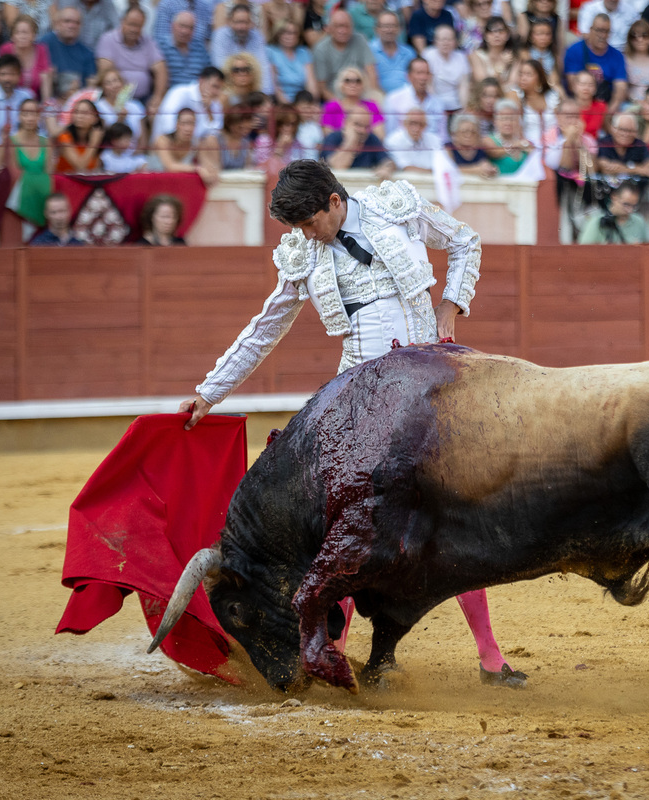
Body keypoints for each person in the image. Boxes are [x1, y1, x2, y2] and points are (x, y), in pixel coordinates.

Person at [178, 159, 525, 687]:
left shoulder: (397, 209)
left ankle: (491, 657)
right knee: (346, 526)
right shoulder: (303, 253)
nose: (303, 235)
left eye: (308, 222)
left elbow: (465, 240)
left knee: (446, 517)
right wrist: (209, 392)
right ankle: (333, 654)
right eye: (295, 228)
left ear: (335, 203)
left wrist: (450, 309)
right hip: (359, 400)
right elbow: (264, 328)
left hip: (428, 385)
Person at [97, 7, 168, 116]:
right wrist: (121, 97)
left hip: (144, 98)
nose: (134, 29)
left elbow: (161, 69)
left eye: (138, 26)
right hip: (115, 97)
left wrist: (157, 97)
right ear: (122, 22)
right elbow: (106, 72)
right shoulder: (108, 39)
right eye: (131, 24)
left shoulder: (148, 42)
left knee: (158, 112)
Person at [563, 13, 629, 116]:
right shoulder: (574, 50)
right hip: (580, 105)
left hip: (606, 105)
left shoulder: (617, 56)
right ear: (590, 30)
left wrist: (609, 112)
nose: (602, 35)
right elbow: (572, 84)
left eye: (606, 31)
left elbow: (621, 87)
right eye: (599, 30)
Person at [4, 96, 52, 227]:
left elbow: (49, 173)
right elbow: (13, 174)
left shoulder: (46, 142)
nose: (30, 118)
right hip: (21, 197)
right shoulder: (11, 141)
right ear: (19, 116)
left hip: (43, 194)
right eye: (26, 114)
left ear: (39, 117)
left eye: (34, 114)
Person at [313, 9, 376, 101]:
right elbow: (322, 88)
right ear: (329, 28)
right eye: (338, 26)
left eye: (347, 26)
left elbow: (371, 72)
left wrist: (372, 98)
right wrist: (343, 106)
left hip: (360, 94)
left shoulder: (360, 40)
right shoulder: (321, 49)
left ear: (352, 27)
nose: (343, 31)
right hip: (335, 96)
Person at [153, 64, 224, 144]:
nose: (217, 92)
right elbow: (167, 125)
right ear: (201, 81)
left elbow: (216, 133)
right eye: (214, 86)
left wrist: (208, 109)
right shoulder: (179, 92)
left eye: (220, 88)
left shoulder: (215, 103)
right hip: (169, 145)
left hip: (195, 148)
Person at [320, 105, 395, 178]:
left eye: (366, 127)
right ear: (345, 123)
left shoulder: (372, 138)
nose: (362, 130)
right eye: (357, 125)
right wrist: (350, 141)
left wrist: (386, 169)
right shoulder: (333, 137)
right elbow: (338, 166)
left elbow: (388, 161)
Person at [382, 58, 447, 141]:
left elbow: (443, 138)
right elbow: (389, 133)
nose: (423, 77)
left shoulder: (438, 103)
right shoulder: (393, 99)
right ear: (408, 76)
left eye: (427, 73)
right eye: (419, 73)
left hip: (431, 150)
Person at [150, 105, 217, 184]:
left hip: (176, 184)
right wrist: (198, 169)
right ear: (177, 125)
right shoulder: (162, 140)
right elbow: (170, 166)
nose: (188, 128)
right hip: (154, 182)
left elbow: (207, 164)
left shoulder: (196, 143)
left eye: (192, 124)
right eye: (184, 123)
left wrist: (210, 170)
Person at [0, 17, 53, 104]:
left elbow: (45, 77)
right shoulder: (6, 49)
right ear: (12, 36)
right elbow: (1, 76)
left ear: (34, 35)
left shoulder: (41, 49)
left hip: (34, 100)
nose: (22, 36)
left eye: (26, 32)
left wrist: (46, 103)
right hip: (10, 98)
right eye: (18, 33)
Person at [41, 7, 98, 87]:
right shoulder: (44, 43)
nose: (72, 26)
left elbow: (90, 83)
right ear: (57, 24)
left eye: (77, 23)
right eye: (67, 21)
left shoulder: (87, 53)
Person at [596, 111, 649, 185]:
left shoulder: (640, 145)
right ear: (613, 128)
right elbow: (605, 168)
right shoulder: (604, 143)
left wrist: (622, 168)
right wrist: (639, 169)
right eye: (622, 129)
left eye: (630, 131)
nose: (626, 134)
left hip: (635, 188)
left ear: (636, 132)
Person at [321, 66, 384, 137]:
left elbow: (380, 136)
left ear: (363, 85)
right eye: (347, 81)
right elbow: (329, 136)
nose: (353, 84)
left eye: (358, 81)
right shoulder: (331, 106)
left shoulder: (372, 106)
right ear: (341, 85)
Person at [93, 64, 146, 146]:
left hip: (135, 154)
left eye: (116, 80)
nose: (114, 86)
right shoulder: (98, 107)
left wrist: (137, 153)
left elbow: (143, 138)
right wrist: (119, 120)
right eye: (108, 83)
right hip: (110, 153)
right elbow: (103, 137)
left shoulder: (136, 105)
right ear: (102, 87)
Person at [578, 180, 646, 243]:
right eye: (626, 204)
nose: (630, 210)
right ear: (614, 197)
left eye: (634, 206)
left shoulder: (639, 221)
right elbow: (583, 251)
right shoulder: (596, 222)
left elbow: (647, 250)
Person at [160, 10, 212, 89]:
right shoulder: (161, 46)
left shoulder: (200, 48)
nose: (185, 31)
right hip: (169, 94)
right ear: (172, 25)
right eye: (182, 26)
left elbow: (209, 74)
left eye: (190, 28)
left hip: (196, 94)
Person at [425, 25, 470, 113]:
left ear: (455, 42)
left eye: (449, 39)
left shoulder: (461, 57)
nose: (446, 43)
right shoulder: (428, 55)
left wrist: (464, 108)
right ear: (435, 41)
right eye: (442, 39)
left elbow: (463, 85)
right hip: (434, 105)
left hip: (456, 104)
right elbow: (429, 85)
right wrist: (436, 108)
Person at [482, 97, 533, 175]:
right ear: (495, 121)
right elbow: (494, 152)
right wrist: (516, 146)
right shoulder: (488, 140)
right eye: (504, 119)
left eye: (512, 119)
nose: (508, 123)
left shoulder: (524, 142)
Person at [515, 58, 558, 146]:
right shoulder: (516, 96)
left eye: (528, 74)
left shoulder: (551, 96)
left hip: (554, 143)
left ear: (540, 77)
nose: (523, 78)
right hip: (529, 147)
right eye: (521, 74)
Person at [385, 105, 440, 172]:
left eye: (421, 124)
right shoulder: (394, 140)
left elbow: (441, 164)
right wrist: (432, 172)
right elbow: (406, 168)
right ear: (404, 123)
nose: (416, 128)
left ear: (426, 126)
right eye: (412, 123)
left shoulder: (434, 140)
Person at [370, 11, 415, 94]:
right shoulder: (369, 50)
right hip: (378, 97)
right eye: (385, 26)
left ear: (400, 29)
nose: (389, 30)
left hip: (405, 98)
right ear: (377, 29)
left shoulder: (409, 52)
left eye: (393, 26)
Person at [55, 96, 103, 172]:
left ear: (95, 118)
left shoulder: (99, 136)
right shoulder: (65, 136)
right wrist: (93, 143)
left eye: (85, 113)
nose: (79, 116)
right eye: (76, 112)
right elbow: (80, 166)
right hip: (67, 180)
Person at [468, 17, 517, 87]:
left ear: (507, 35)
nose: (497, 35)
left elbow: (513, 84)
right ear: (485, 36)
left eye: (501, 31)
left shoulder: (513, 56)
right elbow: (483, 84)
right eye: (491, 31)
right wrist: (501, 65)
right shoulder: (476, 56)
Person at [448, 112, 497, 177]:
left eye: (473, 132)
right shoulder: (448, 149)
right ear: (455, 134)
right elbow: (449, 170)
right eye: (464, 131)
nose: (469, 135)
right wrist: (475, 170)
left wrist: (489, 170)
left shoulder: (480, 149)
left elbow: (485, 165)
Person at [210, 103, 254, 170]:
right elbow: (214, 168)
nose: (245, 132)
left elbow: (248, 167)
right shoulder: (215, 140)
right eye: (240, 128)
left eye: (248, 128)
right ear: (230, 124)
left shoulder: (245, 143)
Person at [569, 69, 609, 137]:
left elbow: (607, 130)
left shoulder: (601, 107)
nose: (586, 88)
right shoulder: (568, 108)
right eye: (582, 84)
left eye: (590, 85)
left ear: (595, 89)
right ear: (574, 87)